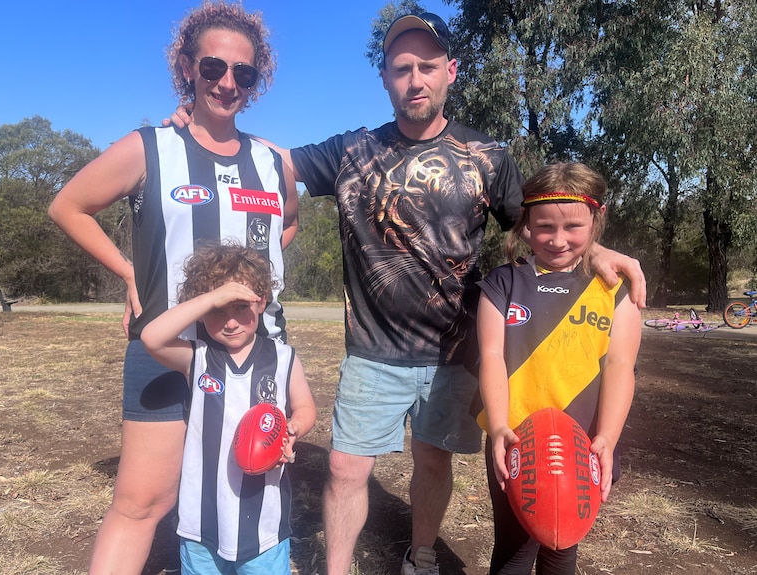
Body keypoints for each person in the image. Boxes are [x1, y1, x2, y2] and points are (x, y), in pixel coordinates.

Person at [169, 11, 646, 575]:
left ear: (451, 72)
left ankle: (420, 555)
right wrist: (205, 125)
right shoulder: (352, 151)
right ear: (386, 79)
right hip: (373, 352)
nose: (415, 78)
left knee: (433, 460)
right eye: (401, 68)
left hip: (453, 353)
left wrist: (597, 252)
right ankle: (338, 569)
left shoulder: (489, 157)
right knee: (346, 467)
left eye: (427, 66)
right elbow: (274, 162)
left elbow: (544, 227)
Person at [47, 2, 297, 573]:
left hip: (252, 353)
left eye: (244, 73)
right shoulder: (150, 147)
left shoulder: (273, 162)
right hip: (167, 348)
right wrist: (131, 272)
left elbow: (288, 224)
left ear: (257, 81)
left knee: (244, 490)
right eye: (212, 68)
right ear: (186, 67)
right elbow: (69, 206)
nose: (227, 83)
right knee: (143, 503)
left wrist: (260, 279)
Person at [475, 162, 641, 575]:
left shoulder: (614, 291)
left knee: (562, 547)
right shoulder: (503, 283)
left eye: (573, 228)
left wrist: (606, 437)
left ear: (596, 220)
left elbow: (622, 365)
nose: (558, 239)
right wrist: (498, 428)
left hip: (585, 443)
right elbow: (491, 356)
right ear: (526, 223)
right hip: (514, 441)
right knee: (513, 549)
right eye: (545, 226)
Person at [139, 241, 316, 574]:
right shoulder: (199, 358)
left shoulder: (283, 358)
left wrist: (294, 429)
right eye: (218, 311)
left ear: (262, 301)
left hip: (262, 517)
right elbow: (152, 337)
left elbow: (305, 408)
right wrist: (208, 298)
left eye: (240, 307)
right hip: (202, 517)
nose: (230, 321)